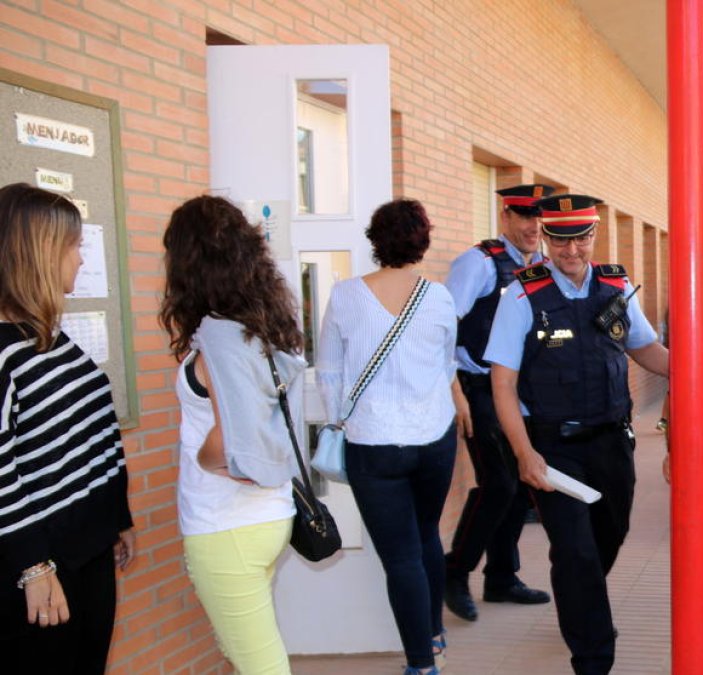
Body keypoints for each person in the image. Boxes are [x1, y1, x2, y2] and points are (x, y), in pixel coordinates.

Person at [485, 194, 668, 675]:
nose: (571, 252)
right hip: (552, 447)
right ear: (546, 238)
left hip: (611, 441)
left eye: (580, 239)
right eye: (560, 240)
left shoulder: (616, 285)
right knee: (576, 550)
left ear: (593, 236)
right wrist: (523, 452)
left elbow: (645, 348)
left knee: (610, 536)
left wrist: (701, 370)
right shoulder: (522, 295)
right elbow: (502, 383)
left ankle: (578, 600)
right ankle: (592, 657)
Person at [160, 195, 307, 674]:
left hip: (226, 527)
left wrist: (203, 460)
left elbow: (226, 443)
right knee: (252, 657)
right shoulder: (258, 326)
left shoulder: (219, 336)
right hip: (267, 515)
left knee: (262, 666)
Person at [316, 199, 459, 675]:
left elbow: (330, 373)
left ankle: (421, 663)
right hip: (434, 437)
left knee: (400, 558)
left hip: (373, 444)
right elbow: (445, 367)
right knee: (427, 538)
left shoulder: (345, 296)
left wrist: (342, 419)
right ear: (423, 240)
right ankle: (434, 633)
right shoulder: (439, 297)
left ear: (376, 242)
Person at [0, 183, 136, 674]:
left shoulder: (50, 337)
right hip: (40, 566)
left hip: (90, 550)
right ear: (37, 252)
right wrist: (33, 567)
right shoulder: (5, 352)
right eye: (74, 246)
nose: (81, 259)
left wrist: (115, 518)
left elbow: (92, 434)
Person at [442, 185, 552, 622]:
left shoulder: (541, 267)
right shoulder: (480, 262)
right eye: (523, 216)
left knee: (520, 485)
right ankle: (455, 570)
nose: (532, 227)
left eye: (538, 219)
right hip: (480, 386)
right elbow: (443, 325)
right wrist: (454, 391)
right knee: (498, 484)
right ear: (504, 216)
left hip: (521, 390)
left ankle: (502, 577)